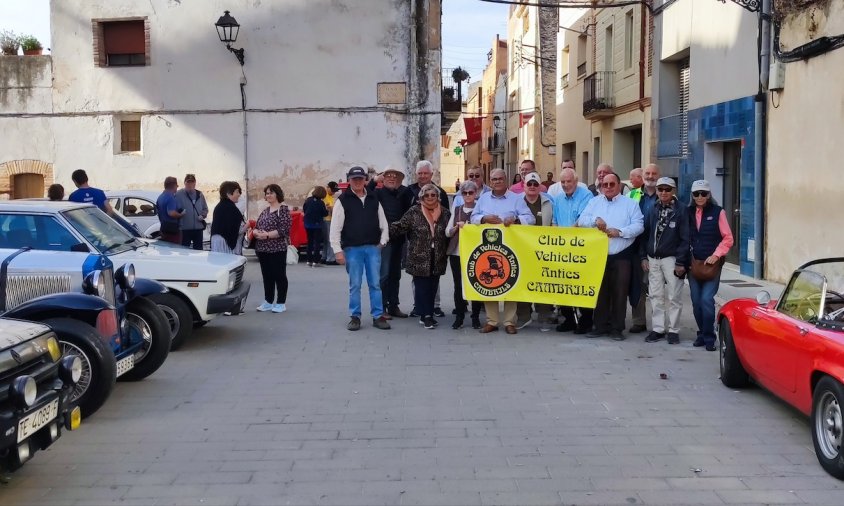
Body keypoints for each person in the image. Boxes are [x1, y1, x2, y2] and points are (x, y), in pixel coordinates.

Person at [577, 171, 644, 340]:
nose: (607, 187)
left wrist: (620, 232)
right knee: (600, 292)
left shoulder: (630, 204)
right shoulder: (594, 202)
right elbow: (582, 220)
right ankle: (599, 326)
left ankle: (616, 329)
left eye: (611, 184)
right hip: (598, 254)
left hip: (622, 254)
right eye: (604, 185)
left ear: (619, 185)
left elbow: (639, 225)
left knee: (620, 292)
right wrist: (595, 220)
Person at [471, 168, 536, 334]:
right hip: (488, 246)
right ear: (490, 181)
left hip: (510, 248)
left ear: (506, 180)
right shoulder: (483, 199)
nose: (497, 181)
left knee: (510, 281)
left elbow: (531, 218)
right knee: (489, 282)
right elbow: (473, 217)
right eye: (494, 179)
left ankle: (509, 322)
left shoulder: (516, 199)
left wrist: (516, 219)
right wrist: (484, 219)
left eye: (500, 179)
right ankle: (492, 321)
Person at [329, 166, 391, 331]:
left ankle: (378, 316)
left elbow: (383, 223)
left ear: (365, 180)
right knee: (355, 284)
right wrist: (337, 251)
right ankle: (355, 316)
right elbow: (335, 228)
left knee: (375, 284)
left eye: (360, 179)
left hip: (372, 248)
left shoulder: (373, 198)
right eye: (354, 179)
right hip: (352, 249)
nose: (357, 182)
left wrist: (383, 242)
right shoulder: (342, 201)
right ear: (349, 180)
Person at [389, 183, 450, 329]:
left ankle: (428, 312)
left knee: (433, 286)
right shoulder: (414, 212)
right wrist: (382, 230)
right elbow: (399, 226)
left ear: (437, 197)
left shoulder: (445, 213)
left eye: (433, 195)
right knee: (422, 286)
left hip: (438, 256)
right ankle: (425, 315)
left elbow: (450, 232)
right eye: (426, 195)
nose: (430, 197)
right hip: (419, 256)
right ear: (421, 197)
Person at [639, 177, 690, 345]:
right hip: (653, 258)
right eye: (660, 189)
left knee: (674, 295)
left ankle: (674, 330)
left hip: (672, 258)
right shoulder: (653, 208)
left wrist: (681, 262)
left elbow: (685, 238)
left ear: (673, 191)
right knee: (655, 295)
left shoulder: (682, 210)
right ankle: (658, 328)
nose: (663, 192)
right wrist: (643, 256)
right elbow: (645, 233)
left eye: (667, 189)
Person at [688, 179, 734, 351]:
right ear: (692, 196)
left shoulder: (717, 212)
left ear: (709, 195)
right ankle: (701, 333)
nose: (700, 197)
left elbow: (728, 238)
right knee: (695, 302)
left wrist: (716, 255)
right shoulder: (688, 212)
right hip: (693, 264)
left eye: (703, 194)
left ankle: (709, 336)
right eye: (696, 194)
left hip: (711, 265)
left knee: (707, 300)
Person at [550, 168, 594, 334]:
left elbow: (582, 220)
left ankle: (586, 320)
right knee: (563, 284)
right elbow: (554, 221)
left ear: (576, 181)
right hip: (562, 248)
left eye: (569, 181)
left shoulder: (586, 196)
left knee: (581, 285)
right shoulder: (558, 199)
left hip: (580, 248)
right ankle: (568, 319)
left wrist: (568, 235)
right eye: (563, 182)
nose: (566, 185)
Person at [368, 167, 413, 318]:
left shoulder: (402, 194)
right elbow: (366, 190)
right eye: (388, 176)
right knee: (384, 275)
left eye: (395, 177)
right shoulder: (377, 193)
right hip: (383, 241)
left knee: (395, 275)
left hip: (399, 240)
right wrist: (375, 180)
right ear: (383, 179)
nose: (392, 178)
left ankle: (394, 305)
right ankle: (381, 307)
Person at [407, 160, 449, 317]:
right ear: (416, 174)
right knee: (418, 276)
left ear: (432, 174)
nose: (423, 176)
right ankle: (418, 306)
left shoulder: (441, 192)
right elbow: (404, 216)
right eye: (420, 173)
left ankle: (435, 305)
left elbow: (446, 216)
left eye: (426, 173)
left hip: (437, 243)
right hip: (416, 243)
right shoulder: (409, 191)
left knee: (434, 275)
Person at [516, 172, 556, 331]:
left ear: (540, 186)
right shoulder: (516, 201)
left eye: (535, 184)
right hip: (521, 249)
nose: (532, 187)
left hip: (543, 250)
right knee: (522, 282)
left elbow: (554, 222)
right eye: (529, 184)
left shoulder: (548, 202)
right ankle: (523, 316)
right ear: (524, 185)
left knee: (543, 283)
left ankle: (544, 315)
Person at [445, 180, 483, 329]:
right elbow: (447, 232)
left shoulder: (480, 210)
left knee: (476, 284)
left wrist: (469, 227)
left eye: (471, 193)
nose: (468, 195)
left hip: (475, 253)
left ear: (476, 193)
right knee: (458, 285)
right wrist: (456, 227)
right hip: (457, 252)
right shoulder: (457, 209)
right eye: (465, 193)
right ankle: (459, 315)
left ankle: (475, 316)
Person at [629, 163, 662, 334]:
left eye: (653, 173)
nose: (650, 176)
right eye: (647, 173)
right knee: (638, 286)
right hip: (636, 245)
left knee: (658, 289)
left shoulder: (665, 193)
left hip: (659, 247)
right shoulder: (632, 194)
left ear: (659, 175)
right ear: (642, 176)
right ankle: (639, 321)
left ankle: (660, 324)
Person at [253, 184, 292, 314]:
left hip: (277, 248)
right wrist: (256, 233)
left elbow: (284, 229)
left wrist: (267, 235)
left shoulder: (284, 209)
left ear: (277, 194)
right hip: (262, 248)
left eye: (271, 193)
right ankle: (268, 301)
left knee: (279, 275)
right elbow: (257, 225)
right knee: (267, 275)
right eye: (267, 193)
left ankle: (281, 302)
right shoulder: (265, 210)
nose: (268, 195)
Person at [210, 181, 246, 255]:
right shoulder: (230, 208)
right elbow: (236, 230)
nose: (239, 194)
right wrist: (247, 225)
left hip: (218, 243)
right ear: (228, 194)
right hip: (224, 244)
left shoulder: (221, 206)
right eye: (237, 192)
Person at [175, 173, 209, 250]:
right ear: (184, 183)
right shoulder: (178, 194)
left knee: (198, 251)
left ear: (195, 183)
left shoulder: (199, 194)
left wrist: (203, 215)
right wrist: (180, 214)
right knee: (184, 251)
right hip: (184, 229)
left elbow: (205, 209)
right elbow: (174, 210)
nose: (190, 184)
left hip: (198, 229)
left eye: (192, 182)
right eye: (188, 182)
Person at [303, 186, 329, 267]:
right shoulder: (320, 202)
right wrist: (327, 208)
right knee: (317, 243)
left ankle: (308, 260)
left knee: (309, 242)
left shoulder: (308, 200)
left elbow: (304, 209)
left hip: (307, 224)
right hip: (317, 225)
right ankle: (315, 262)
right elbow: (324, 213)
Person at [156, 176, 185, 244]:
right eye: (176, 186)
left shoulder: (160, 197)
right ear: (174, 185)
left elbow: (158, 212)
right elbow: (171, 213)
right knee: (174, 249)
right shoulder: (171, 197)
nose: (177, 188)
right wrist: (181, 214)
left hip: (163, 228)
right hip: (172, 230)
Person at [322, 181, 339, 265]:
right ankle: (330, 259)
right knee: (330, 239)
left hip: (328, 219)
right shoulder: (324, 195)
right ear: (328, 188)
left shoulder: (330, 196)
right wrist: (332, 208)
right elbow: (327, 208)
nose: (334, 192)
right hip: (326, 220)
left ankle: (324, 257)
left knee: (326, 240)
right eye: (333, 190)